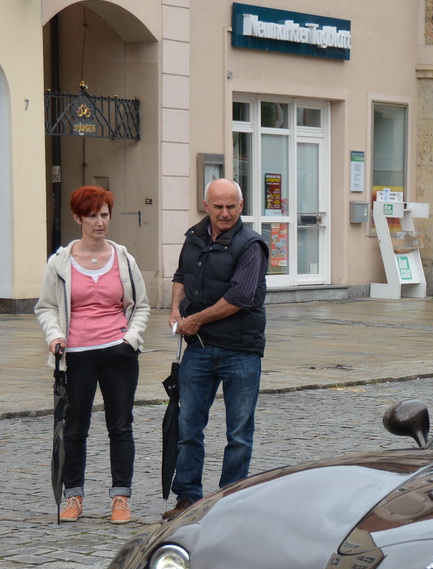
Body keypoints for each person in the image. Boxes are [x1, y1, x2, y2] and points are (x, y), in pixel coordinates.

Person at [35, 186, 151, 525]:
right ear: (78, 218)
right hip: (76, 356)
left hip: (118, 355)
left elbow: (140, 306)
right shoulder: (60, 263)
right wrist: (55, 336)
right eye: (92, 216)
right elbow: (46, 308)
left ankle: (121, 498)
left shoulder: (124, 260)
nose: (100, 223)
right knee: (74, 428)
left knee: (121, 426)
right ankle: (74, 496)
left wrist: (130, 339)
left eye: (104, 215)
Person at [165, 178, 271, 520]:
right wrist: (175, 309)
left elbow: (241, 297)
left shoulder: (251, 244)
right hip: (198, 348)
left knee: (239, 432)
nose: (224, 213)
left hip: (240, 350)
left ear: (241, 207)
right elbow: (181, 275)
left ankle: (229, 500)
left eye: (231, 206)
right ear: (206, 205)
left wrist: (195, 320)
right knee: (188, 426)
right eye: (218, 206)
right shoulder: (194, 236)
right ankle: (188, 498)